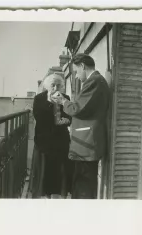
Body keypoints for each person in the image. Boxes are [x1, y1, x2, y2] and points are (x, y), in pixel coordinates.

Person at [52, 53, 110, 199]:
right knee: (83, 185)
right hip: (87, 142)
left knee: (83, 187)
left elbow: (76, 109)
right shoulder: (97, 81)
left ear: (83, 66)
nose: (77, 76)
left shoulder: (94, 82)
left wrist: (62, 102)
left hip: (87, 145)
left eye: (77, 71)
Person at [31, 73, 73, 199]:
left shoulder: (65, 97)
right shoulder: (39, 98)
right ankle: (46, 197)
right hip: (44, 142)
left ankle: (59, 197)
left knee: (60, 175)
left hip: (60, 143)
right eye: (52, 85)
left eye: (58, 85)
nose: (55, 88)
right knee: (45, 176)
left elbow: (69, 118)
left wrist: (61, 104)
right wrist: (50, 103)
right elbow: (39, 117)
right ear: (47, 86)